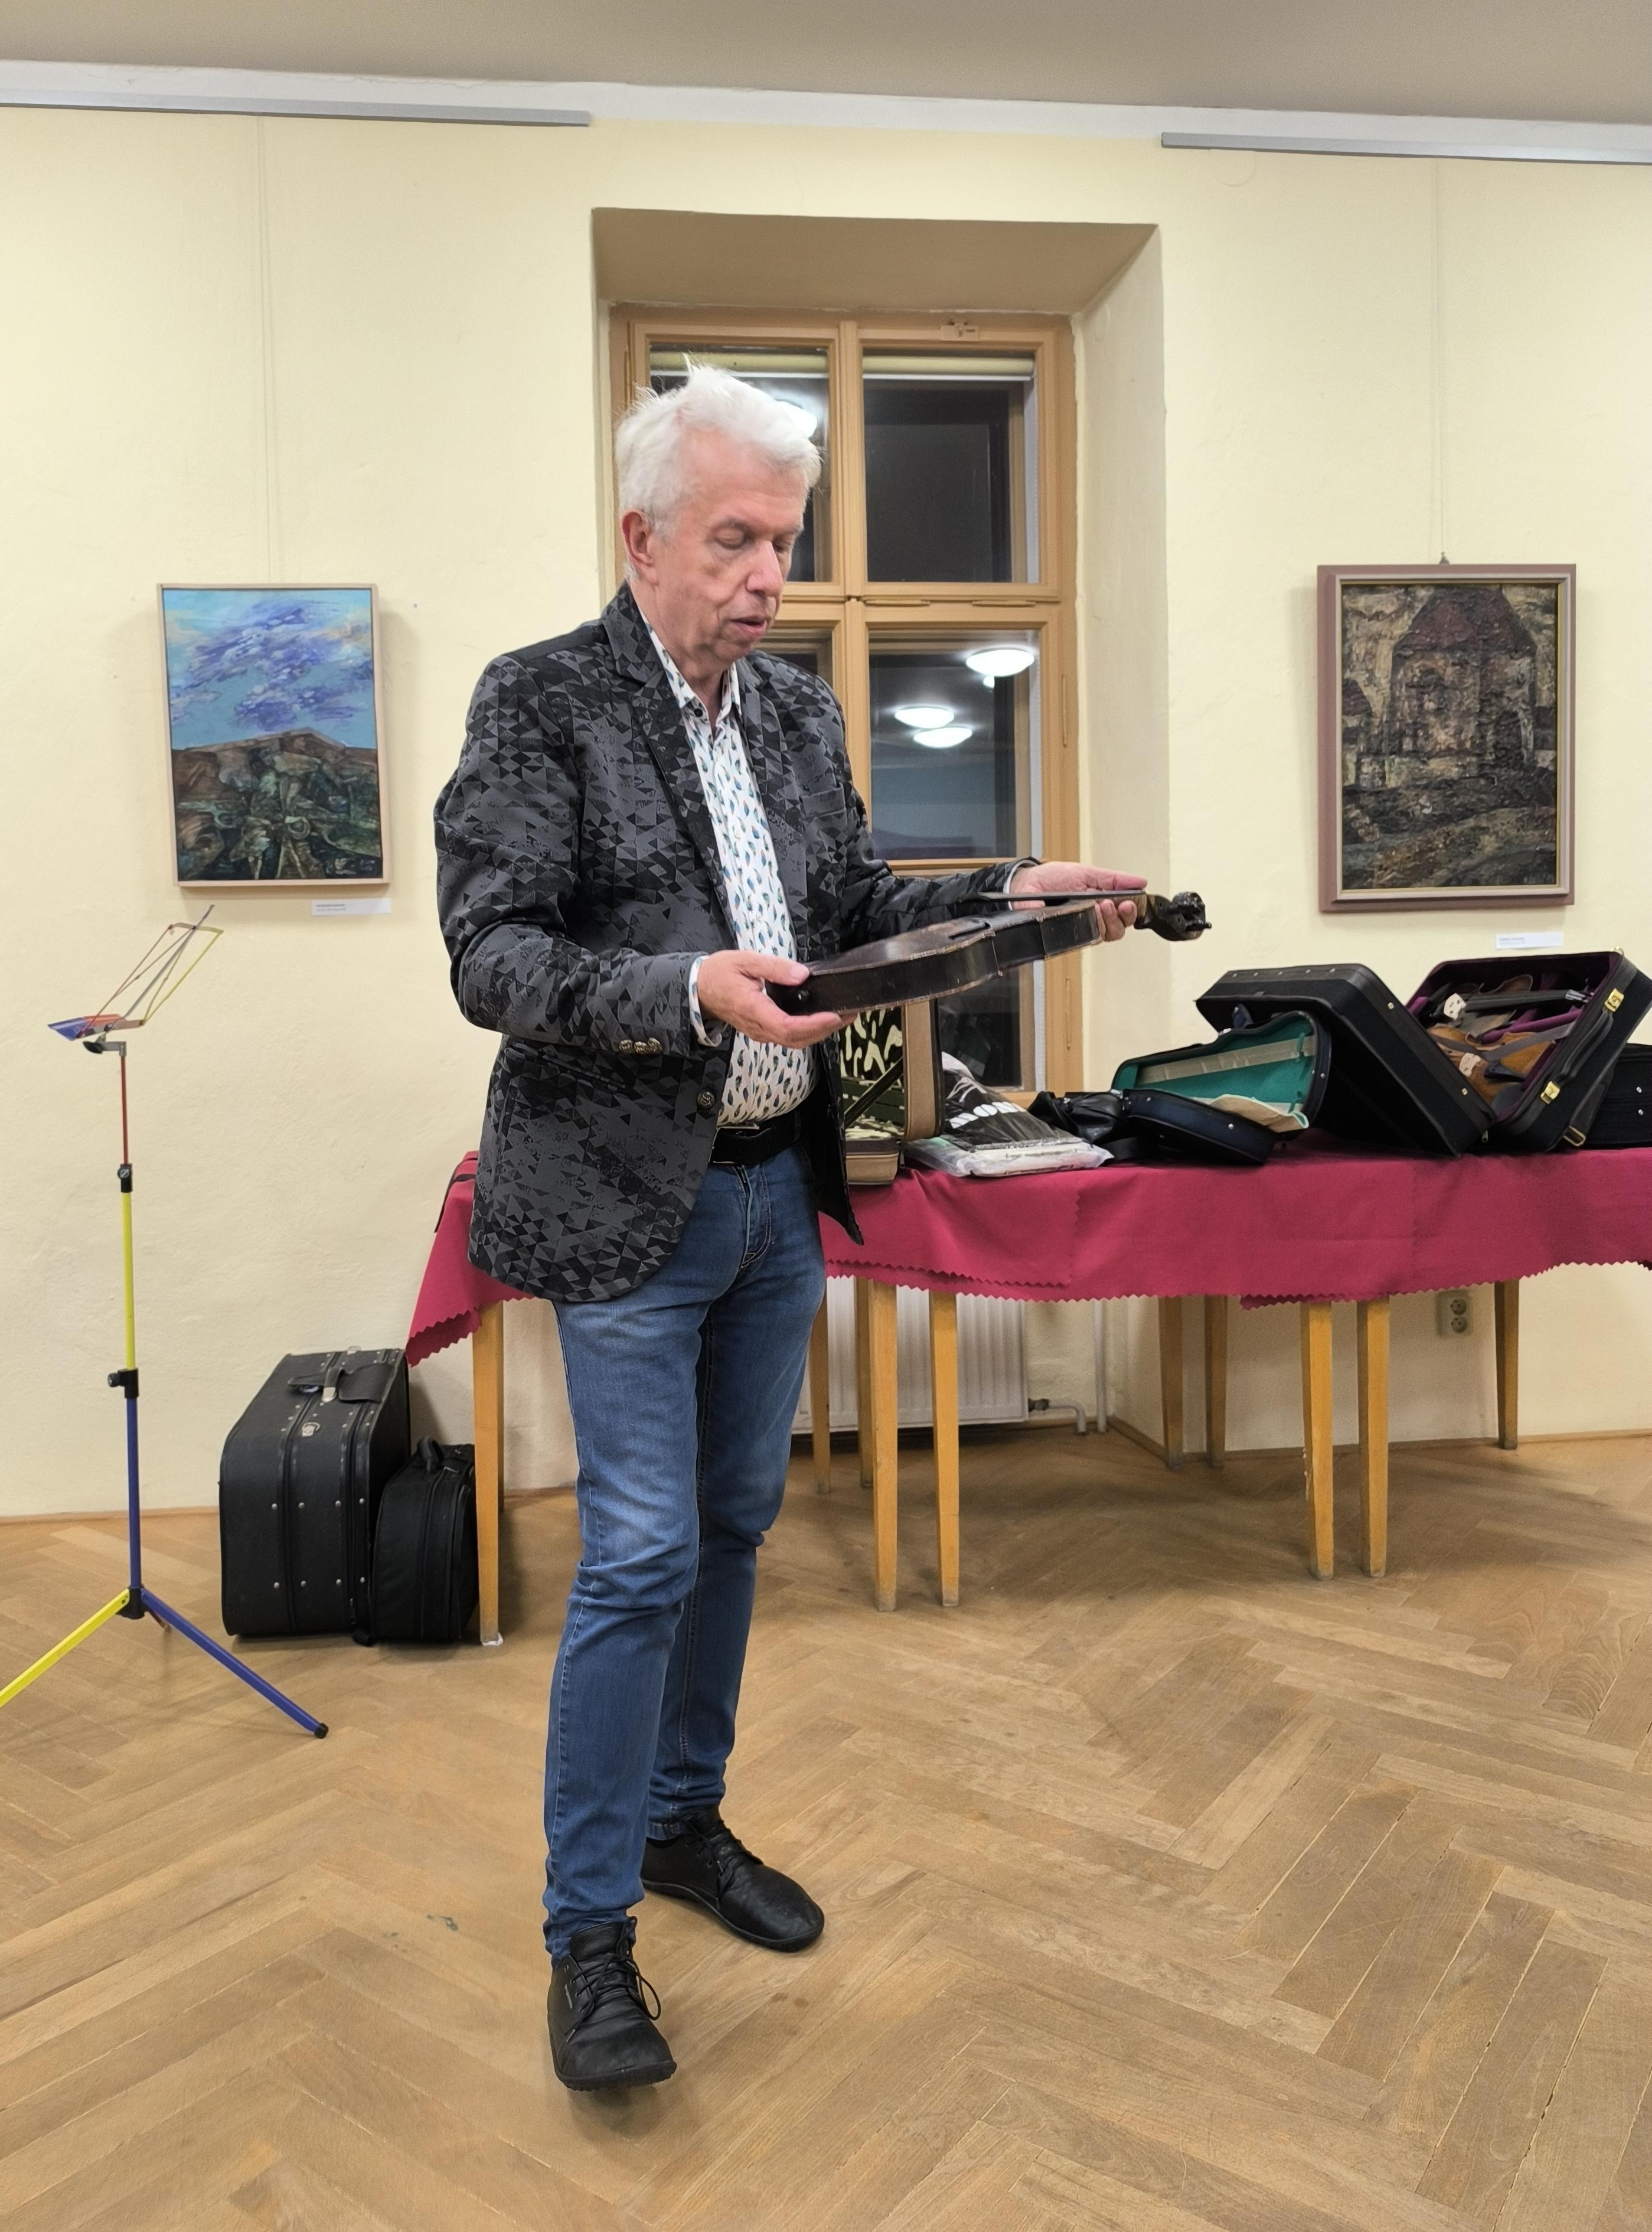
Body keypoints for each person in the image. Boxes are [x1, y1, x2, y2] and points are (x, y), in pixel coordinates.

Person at [435, 367, 1141, 2092]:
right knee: (640, 1556)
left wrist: (1009, 896)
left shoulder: (798, 719)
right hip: (625, 1204)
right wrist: (688, 989)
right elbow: (490, 954)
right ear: (642, 537)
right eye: (737, 541)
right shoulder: (541, 701)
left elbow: (850, 914)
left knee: (736, 1527)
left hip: (772, 1192)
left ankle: (684, 1823)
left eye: (787, 543)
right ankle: (587, 1935)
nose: (770, 577)